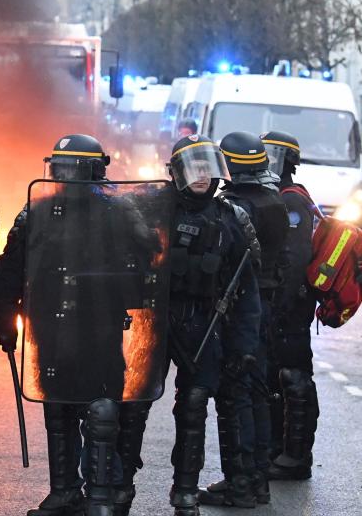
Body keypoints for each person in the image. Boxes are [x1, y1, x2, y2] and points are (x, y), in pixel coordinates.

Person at [0, 134, 162, 516]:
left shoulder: (121, 212)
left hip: (100, 325)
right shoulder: (36, 212)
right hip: (50, 326)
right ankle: (64, 491)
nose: (64, 176)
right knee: (57, 406)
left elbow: (147, 260)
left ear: (94, 170)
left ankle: (102, 493)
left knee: (103, 409)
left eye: (72, 168)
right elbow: (11, 270)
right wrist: (5, 321)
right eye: (59, 168)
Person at [119, 135, 262, 516]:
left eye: (207, 168)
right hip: (154, 321)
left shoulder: (230, 219)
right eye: (194, 168)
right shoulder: (150, 210)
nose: (202, 176)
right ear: (178, 172)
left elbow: (246, 292)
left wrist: (244, 346)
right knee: (134, 405)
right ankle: (120, 487)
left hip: (202, 322)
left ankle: (184, 489)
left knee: (195, 404)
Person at [198, 132, 287, 507]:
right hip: (264, 309)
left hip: (237, 311)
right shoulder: (276, 203)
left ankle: (239, 485)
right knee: (257, 393)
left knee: (234, 396)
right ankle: (257, 480)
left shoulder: (231, 210)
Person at [260, 132, 321, 481]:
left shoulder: (291, 200)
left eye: (272, 154)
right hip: (287, 306)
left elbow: (295, 258)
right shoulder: (282, 197)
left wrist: (281, 305)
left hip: (291, 306)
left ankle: (295, 457)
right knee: (276, 380)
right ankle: (278, 450)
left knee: (294, 380)